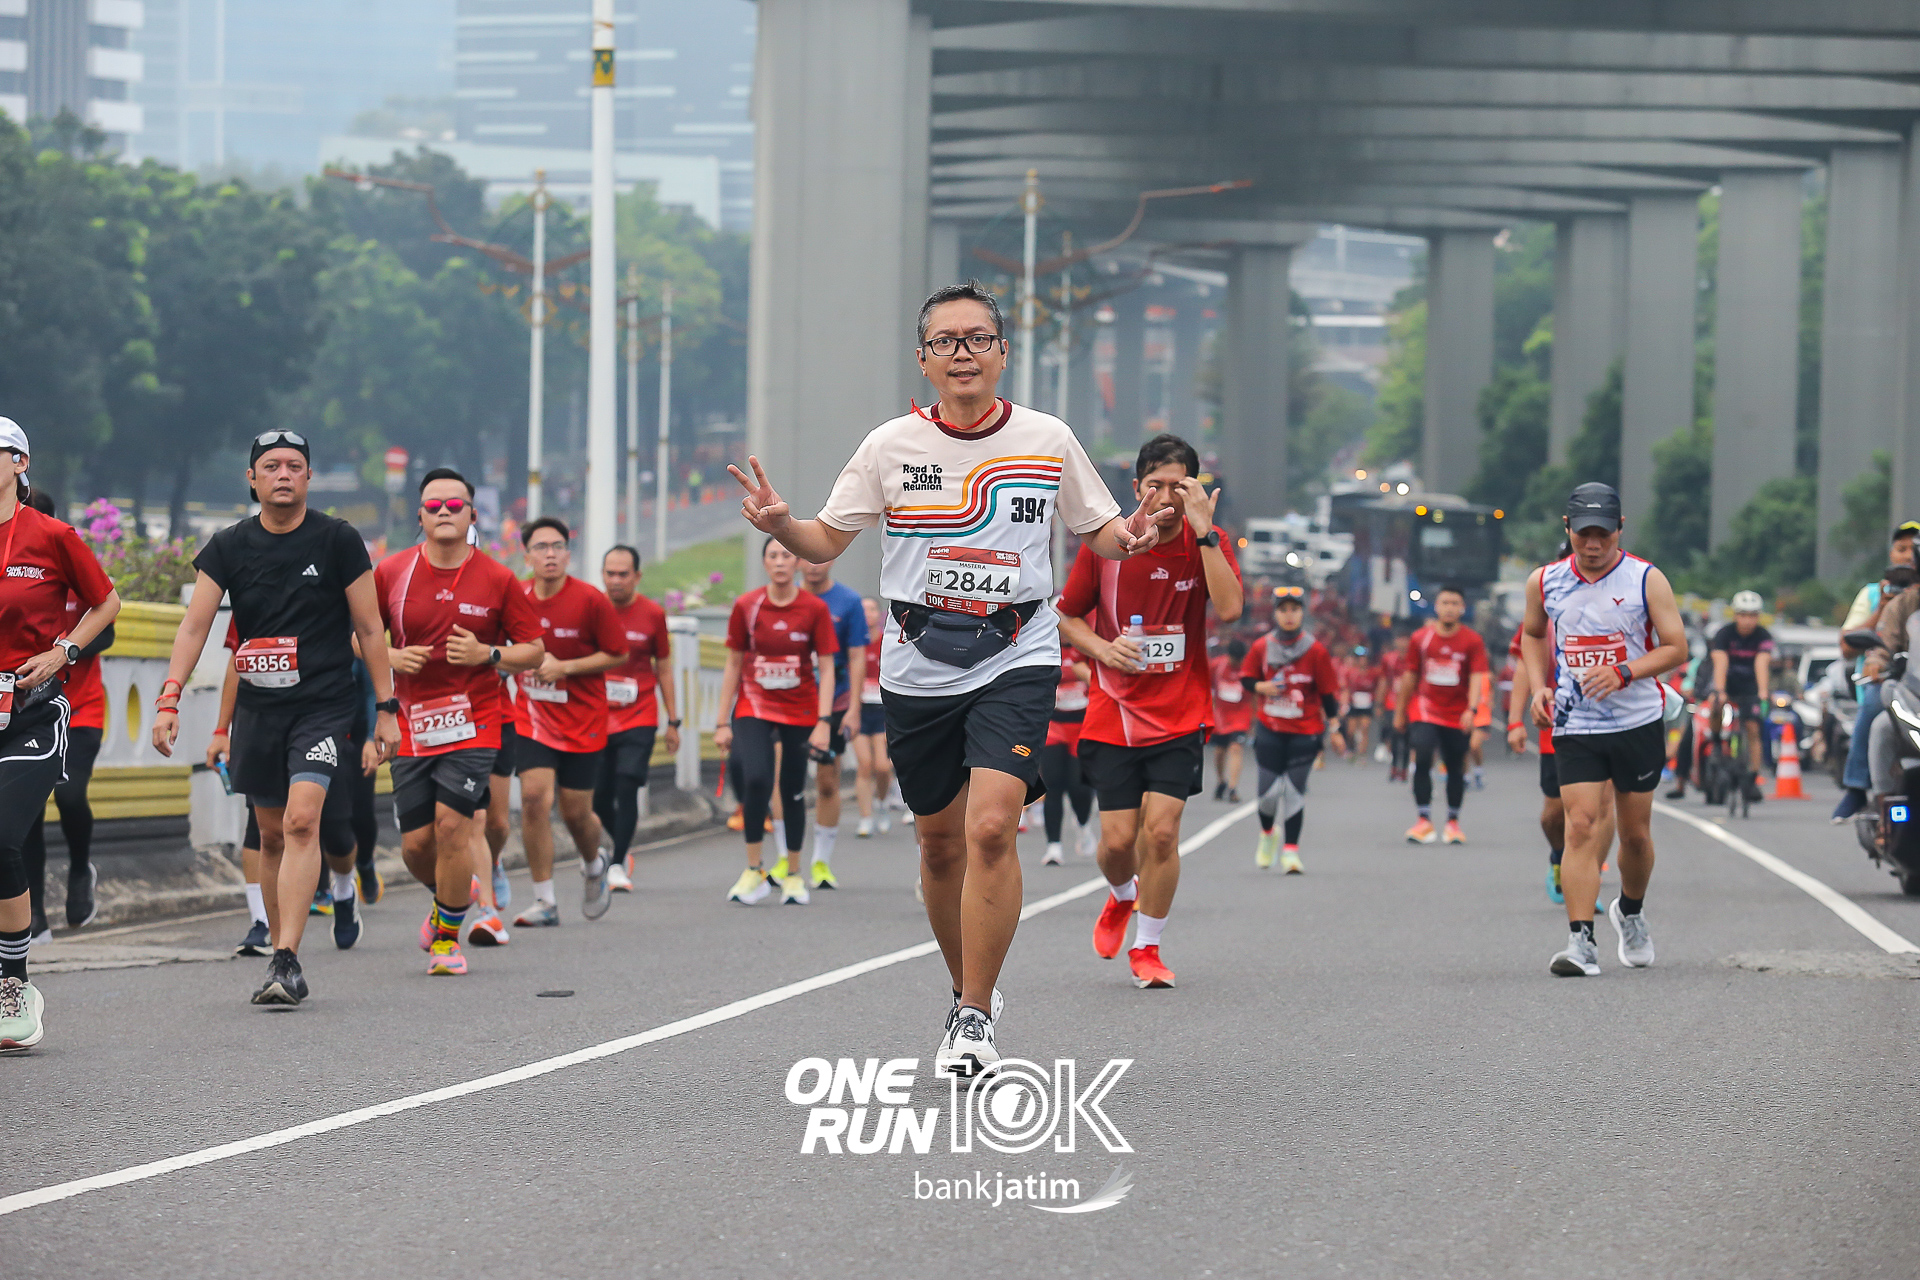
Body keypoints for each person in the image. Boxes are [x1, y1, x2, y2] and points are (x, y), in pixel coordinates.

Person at [728, 280, 1163, 1075]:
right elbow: (825, 540)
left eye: (977, 339)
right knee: (937, 846)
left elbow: (1101, 531)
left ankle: (973, 1017)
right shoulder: (890, 445)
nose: (963, 353)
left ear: (1002, 353)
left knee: (991, 827)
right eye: (946, 342)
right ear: (924, 359)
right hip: (919, 662)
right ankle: (967, 987)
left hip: (1017, 652)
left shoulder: (1047, 439)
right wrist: (782, 523)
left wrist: (1133, 535)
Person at [153, 430, 399, 1006]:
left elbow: (370, 629)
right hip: (260, 708)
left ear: (309, 477)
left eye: (293, 465)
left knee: (301, 822)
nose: (283, 474)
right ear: (252, 478)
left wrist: (388, 708)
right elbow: (195, 627)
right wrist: (169, 698)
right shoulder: (228, 546)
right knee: (268, 835)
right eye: (271, 466)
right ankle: (277, 950)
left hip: (323, 705)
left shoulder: (338, 540)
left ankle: (287, 957)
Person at [1058, 432, 1243, 991]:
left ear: (1195, 489)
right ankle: (1122, 895)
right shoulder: (1110, 544)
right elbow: (1065, 616)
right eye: (1156, 485)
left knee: (1161, 834)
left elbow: (1230, 609)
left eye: (1179, 486)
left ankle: (1148, 947)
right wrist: (1102, 649)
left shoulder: (1207, 540)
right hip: (1112, 711)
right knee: (1118, 843)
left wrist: (1205, 532)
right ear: (1138, 486)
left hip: (1181, 710)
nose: (1166, 497)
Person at [376, 468, 545, 975]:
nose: (444, 512)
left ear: (473, 514)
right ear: (420, 516)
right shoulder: (392, 572)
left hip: (475, 721)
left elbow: (533, 651)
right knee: (415, 846)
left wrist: (487, 654)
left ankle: (446, 941)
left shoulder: (497, 578)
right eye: (434, 506)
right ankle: (453, 895)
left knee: (454, 826)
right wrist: (389, 656)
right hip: (412, 722)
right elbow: (358, 635)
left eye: (455, 505)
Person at [1522, 482, 1687, 978]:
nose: (1593, 545)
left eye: (1603, 534)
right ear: (1567, 529)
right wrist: (1539, 686)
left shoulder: (1646, 580)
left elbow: (1676, 647)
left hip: (1637, 720)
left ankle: (1630, 912)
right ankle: (1581, 942)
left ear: (1620, 529)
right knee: (1580, 825)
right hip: (1576, 720)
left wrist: (1623, 672)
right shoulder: (1545, 581)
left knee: (1634, 836)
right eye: (1583, 534)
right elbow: (1532, 634)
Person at [0, 419, 121, 1051]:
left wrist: (63, 652)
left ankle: (15, 983)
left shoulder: (52, 535)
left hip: (33, 712)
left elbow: (107, 602)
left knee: (3, 835)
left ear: (20, 462)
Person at [509, 516, 627, 927]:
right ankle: (544, 900)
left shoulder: (590, 600)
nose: (550, 554)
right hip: (533, 716)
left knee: (576, 813)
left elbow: (618, 653)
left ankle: (594, 863)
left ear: (567, 554)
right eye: (541, 547)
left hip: (582, 719)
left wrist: (565, 667)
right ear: (527, 556)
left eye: (558, 546)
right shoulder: (516, 598)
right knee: (533, 799)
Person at [715, 538, 837, 905]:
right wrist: (721, 721)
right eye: (773, 555)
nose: (780, 562)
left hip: (800, 709)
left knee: (792, 789)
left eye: (787, 555)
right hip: (754, 705)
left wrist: (824, 721)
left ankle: (794, 873)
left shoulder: (814, 608)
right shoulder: (747, 606)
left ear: (798, 562)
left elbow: (827, 667)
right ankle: (754, 870)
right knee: (756, 780)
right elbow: (733, 663)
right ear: (764, 563)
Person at [17, 490, 113, 942]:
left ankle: (79, 868)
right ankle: (34, 914)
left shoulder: (68, 559)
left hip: (81, 709)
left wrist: (60, 648)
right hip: (27, 711)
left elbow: (107, 630)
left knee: (70, 795)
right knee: (27, 813)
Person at [1506, 548, 1615, 908]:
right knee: (1554, 815)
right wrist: (1515, 721)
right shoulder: (1546, 609)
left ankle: (1588, 876)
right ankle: (1559, 858)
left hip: (1609, 722)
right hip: (1559, 725)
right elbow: (1526, 666)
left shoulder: (1622, 604)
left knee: (1600, 807)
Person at [594, 544, 680, 890]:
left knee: (627, 783)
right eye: (610, 574)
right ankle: (621, 847)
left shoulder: (652, 614)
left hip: (639, 714)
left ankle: (616, 863)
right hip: (597, 717)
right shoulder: (591, 608)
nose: (616, 580)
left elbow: (665, 667)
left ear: (637, 576)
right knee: (599, 796)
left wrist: (673, 721)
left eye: (623, 574)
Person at [1240, 586, 1343, 873]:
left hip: (1305, 730)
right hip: (1270, 728)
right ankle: (1268, 834)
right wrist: (1262, 686)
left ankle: (1291, 852)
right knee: (1268, 795)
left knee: (1295, 792)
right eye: (1283, 609)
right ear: (1275, 613)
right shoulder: (1261, 647)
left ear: (1302, 613)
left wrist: (1335, 728)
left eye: (1294, 610)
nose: (1289, 615)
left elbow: (1328, 694)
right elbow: (1246, 679)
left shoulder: (1316, 650)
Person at [789, 555, 868, 889]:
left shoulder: (848, 602)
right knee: (784, 779)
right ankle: (784, 858)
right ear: (795, 562)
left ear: (832, 560)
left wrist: (853, 708)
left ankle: (821, 861)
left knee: (826, 781)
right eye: (805, 559)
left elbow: (856, 656)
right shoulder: (787, 597)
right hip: (789, 702)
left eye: (819, 558)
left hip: (833, 701)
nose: (813, 565)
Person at [1832, 521, 1919, 822]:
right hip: (1898, 686)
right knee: (1877, 713)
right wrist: (1882, 606)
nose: (1908, 556)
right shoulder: (1889, 601)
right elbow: (1872, 646)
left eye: (1914, 550)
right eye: (1902, 548)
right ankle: (1861, 790)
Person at [1394, 586, 1488, 843]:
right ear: (1436, 606)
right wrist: (1400, 712)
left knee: (1455, 765)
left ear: (1462, 608)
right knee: (1423, 754)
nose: (1449, 608)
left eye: (1454, 603)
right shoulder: (1420, 638)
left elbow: (1477, 676)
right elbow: (1410, 675)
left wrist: (1472, 709)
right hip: (1425, 708)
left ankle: (1452, 822)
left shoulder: (1472, 641)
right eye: (1445, 603)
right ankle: (1423, 819)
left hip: (1457, 713)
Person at [1709, 590, 1774, 802]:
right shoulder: (1724, 634)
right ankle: (1716, 741)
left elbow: (1762, 663)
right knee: (1715, 704)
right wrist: (1720, 691)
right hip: (1728, 682)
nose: (1747, 621)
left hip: (1750, 686)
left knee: (1753, 728)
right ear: (1735, 615)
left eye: (1752, 615)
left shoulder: (1763, 636)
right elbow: (1720, 663)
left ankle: (1753, 776)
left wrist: (1763, 692)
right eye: (1743, 615)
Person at [1038, 646, 1098, 865]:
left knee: (1078, 786)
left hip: (1083, 726)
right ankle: (1053, 846)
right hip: (1054, 726)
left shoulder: (1086, 648)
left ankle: (1082, 824)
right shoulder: (1046, 647)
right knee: (1052, 785)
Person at [851, 596, 893, 837]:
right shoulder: (854, 643)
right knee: (864, 764)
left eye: (872, 609)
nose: (867, 614)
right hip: (859, 710)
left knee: (882, 766)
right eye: (863, 609)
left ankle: (883, 804)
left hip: (882, 710)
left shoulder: (886, 642)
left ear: (879, 614)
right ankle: (865, 818)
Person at [1208, 637, 1251, 799]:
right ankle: (1221, 781)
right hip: (1220, 716)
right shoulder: (1216, 665)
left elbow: (1254, 692)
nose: (1237, 663)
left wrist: (1254, 718)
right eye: (1234, 660)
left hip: (1241, 716)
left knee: (1235, 748)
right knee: (1220, 751)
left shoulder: (1248, 668)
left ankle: (1233, 788)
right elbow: (1207, 686)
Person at [1378, 631, 1411, 780]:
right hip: (1392, 702)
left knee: (1407, 737)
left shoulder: (1414, 658)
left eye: (1405, 639)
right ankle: (1393, 767)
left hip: (1410, 704)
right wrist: (1379, 702)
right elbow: (1384, 680)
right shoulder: (1388, 659)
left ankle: (1404, 768)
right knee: (1394, 735)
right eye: (1400, 639)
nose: (1402, 643)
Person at [1339, 642, 1378, 764]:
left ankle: (1362, 754)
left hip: (1367, 703)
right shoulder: (1351, 672)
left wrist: (1377, 703)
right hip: (1354, 703)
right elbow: (1346, 689)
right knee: (1351, 730)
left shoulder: (1373, 673)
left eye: (1364, 658)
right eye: (1360, 658)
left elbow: (1377, 688)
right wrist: (1344, 705)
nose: (1362, 661)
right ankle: (1351, 749)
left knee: (1364, 728)